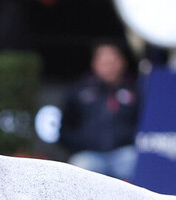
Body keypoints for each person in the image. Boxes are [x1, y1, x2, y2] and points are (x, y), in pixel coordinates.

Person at [59, 40, 141, 182]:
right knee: (80, 166)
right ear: (94, 64)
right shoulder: (79, 91)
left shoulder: (135, 91)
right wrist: (82, 143)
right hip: (90, 155)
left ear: (122, 63)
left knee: (137, 162)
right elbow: (64, 130)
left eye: (113, 61)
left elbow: (145, 126)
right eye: (104, 62)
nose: (109, 67)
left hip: (123, 153)